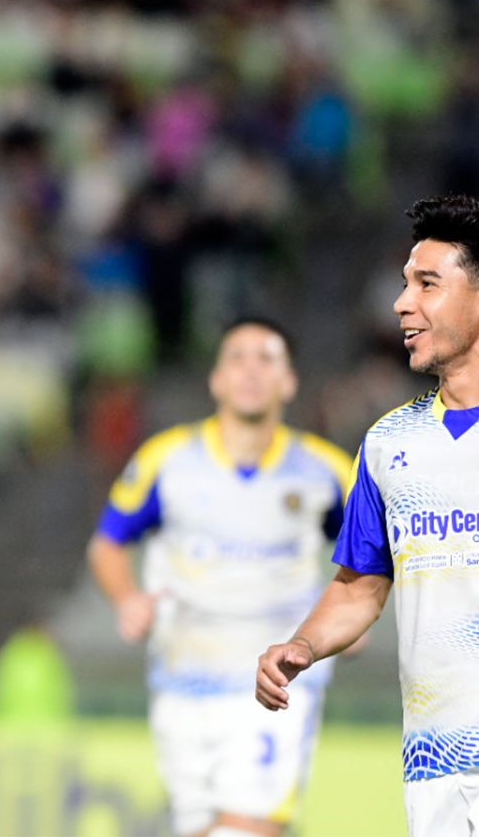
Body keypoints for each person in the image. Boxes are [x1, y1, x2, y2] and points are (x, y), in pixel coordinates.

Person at [257, 195, 479, 837]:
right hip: (436, 762)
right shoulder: (388, 444)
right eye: (406, 283)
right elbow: (360, 586)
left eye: (427, 284)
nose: (402, 303)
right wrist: (302, 645)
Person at [89, 317, 352, 837]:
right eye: (237, 358)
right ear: (216, 379)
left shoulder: (327, 470)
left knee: (243, 830)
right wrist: (127, 599)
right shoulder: (167, 459)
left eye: (266, 359)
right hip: (182, 681)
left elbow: (376, 556)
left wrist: (351, 616)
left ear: (289, 381)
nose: (251, 371)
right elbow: (107, 543)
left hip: (274, 688)